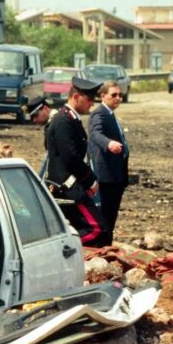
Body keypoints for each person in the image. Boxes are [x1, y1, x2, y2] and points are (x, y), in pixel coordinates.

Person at [44, 76, 110, 247]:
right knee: (97, 230)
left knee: (98, 229)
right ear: (75, 97)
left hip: (73, 184)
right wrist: (90, 180)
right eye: (88, 99)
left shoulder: (70, 119)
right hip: (66, 187)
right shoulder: (63, 121)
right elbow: (70, 157)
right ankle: (62, 250)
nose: (91, 103)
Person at [88, 80, 129, 245]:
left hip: (116, 176)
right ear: (103, 96)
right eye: (114, 95)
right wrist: (108, 143)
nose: (118, 98)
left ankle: (106, 247)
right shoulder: (99, 114)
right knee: (105, 218)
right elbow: (95, 133)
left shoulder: (110, 114)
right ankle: (102, 249)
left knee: (110, 218)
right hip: (106, 177)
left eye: (120, 95)